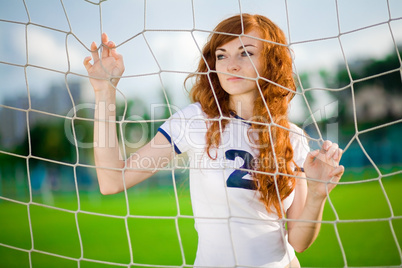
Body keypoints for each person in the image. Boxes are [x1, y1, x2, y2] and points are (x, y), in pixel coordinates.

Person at [83, 13, 344, 268]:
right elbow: (112, 180)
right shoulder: (196, 121)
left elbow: (299, 242)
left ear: (272, 62)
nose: (231, 64)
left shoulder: (292, 137)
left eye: (246, 52)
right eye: (222, 55)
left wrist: (317, 194)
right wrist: (104, 91)